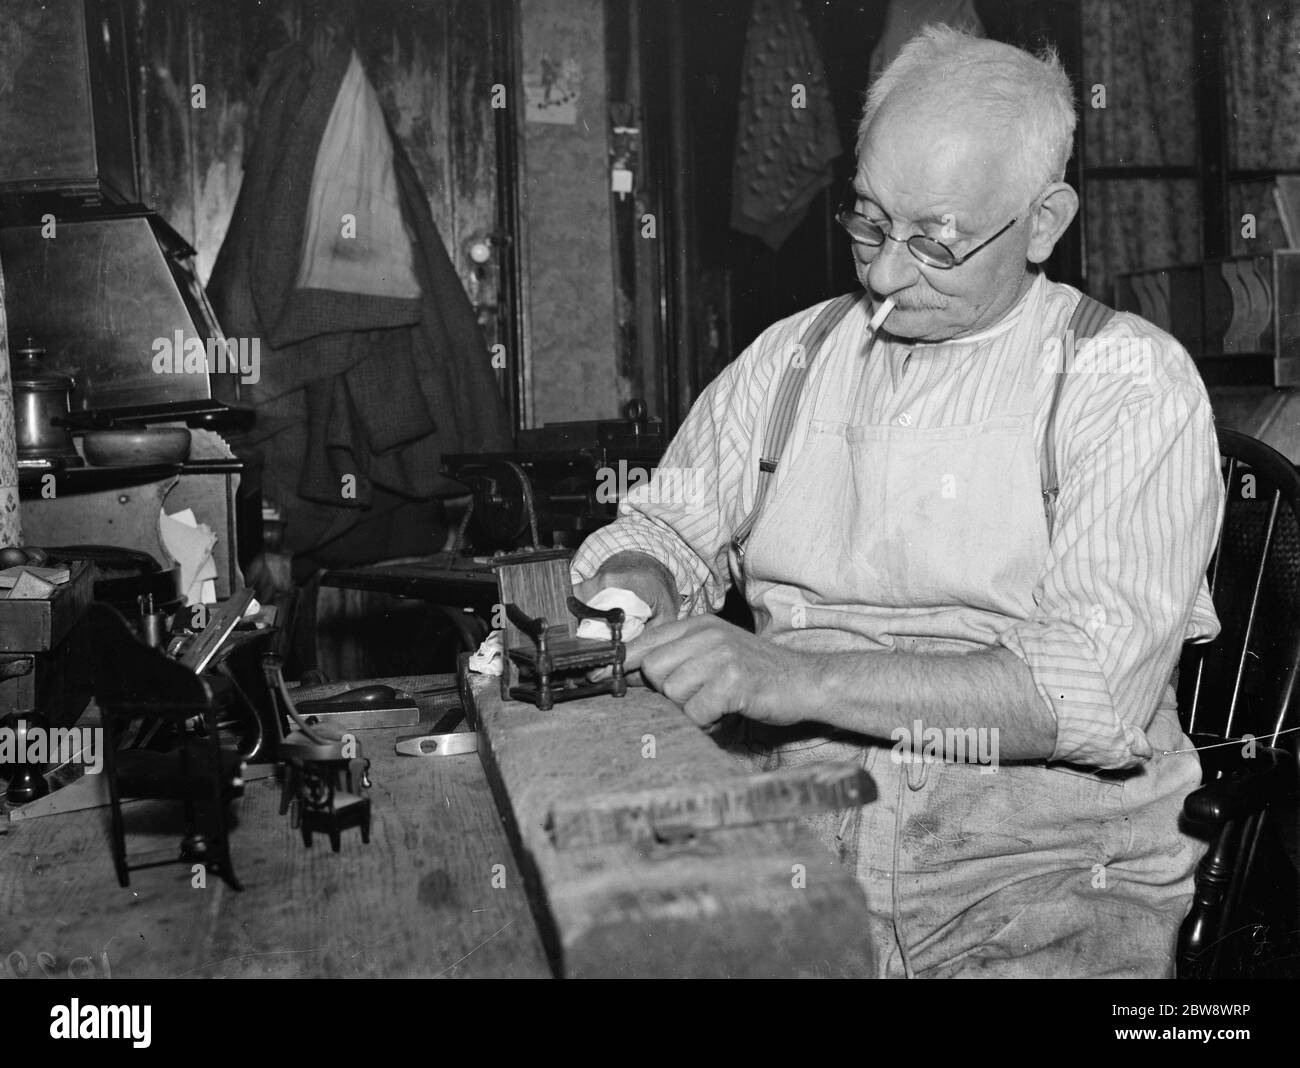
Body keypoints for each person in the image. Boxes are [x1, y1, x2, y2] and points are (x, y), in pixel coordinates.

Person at [572, 25, 1226, 979]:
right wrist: (635, 586)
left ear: (1044, 223)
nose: (882, 273)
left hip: (1042, 877)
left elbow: (1089, 690)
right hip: (802, 841)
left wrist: (793, 678)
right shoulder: (794, 357)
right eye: (869, 221)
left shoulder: (1125, 381)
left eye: (935, 242)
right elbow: (664, 524)